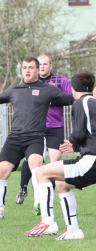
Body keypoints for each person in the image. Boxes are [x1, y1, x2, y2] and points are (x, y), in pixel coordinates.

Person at [0, 56, 74, 221]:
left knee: (36, 165)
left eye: (31, 67)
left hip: (36, 137)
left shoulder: (48, 89)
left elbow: (69, 99)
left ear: (38, 70)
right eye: (25, 67)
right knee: (2, 170)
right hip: (15, 137)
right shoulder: (15, 90)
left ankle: (39, 204)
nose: (27, 70)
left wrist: (88, 93)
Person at [25, 69, 96, 240]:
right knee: (62, 185)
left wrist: (72, 141)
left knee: (41, 172)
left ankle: (48, 221)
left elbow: (79, 133)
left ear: (74, 87)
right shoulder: (93, 102)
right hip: (90, 158)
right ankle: (73, 231)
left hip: (91, 161)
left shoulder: (81, 102)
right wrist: (77, 148)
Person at [15, 54, 72, 214]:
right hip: (35, 127)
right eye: (39, 64)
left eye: (45, 64)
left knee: (55, 160)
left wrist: (50, 100)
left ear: (51, 66)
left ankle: (44, 196)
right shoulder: (31, 82)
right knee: (33, 159)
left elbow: (71, 98)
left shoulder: (61, 81)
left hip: (55, 126)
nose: (42, 67)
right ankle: (24, 188)